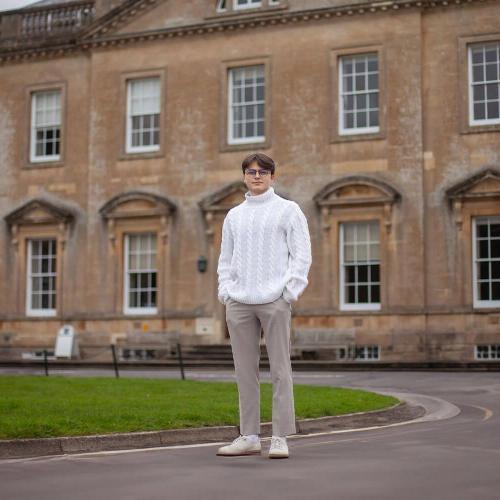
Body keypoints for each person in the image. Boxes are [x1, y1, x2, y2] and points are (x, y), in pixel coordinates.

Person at [216, 152, 312, 459]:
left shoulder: (288, 210)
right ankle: (249, 436)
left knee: (281, 370)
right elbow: (225, 259)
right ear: (244, 175)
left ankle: (280, 437)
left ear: (273, 176)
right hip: (239, 302)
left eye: (263, 171)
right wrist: (225, 293)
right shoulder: (234, 216)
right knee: (245, 371)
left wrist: (289, 292)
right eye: (251, 171)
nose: (257, 176)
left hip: (274, 300)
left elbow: (302, 255)